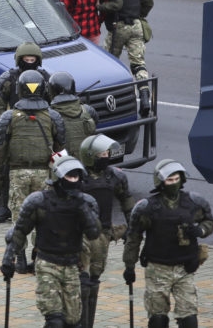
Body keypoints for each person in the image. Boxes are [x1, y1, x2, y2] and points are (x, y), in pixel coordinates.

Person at [0, 154, 101, 327]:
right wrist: (9, 258)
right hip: (47, 265)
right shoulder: (39, 201)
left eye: (76, 177)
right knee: (55, 321)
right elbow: (20, 231)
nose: (73, 180)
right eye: (69, 176)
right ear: (58, 178)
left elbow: (93, 233)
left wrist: (82, 209)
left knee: (73, 322)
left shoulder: (85, 203)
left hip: (71, 267)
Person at [123, 159, 213, 327]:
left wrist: (200, 231)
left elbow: (209, 221)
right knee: (158, 319)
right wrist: (129, 265)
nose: (173, 183)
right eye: (169, 180)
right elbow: (134, 236)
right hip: (157, 269)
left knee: (189, 318)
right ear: (160, 182)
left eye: (176, 179)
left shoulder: (193, 203)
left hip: (185, 267)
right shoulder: (148, 207)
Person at [0, 70, 65, 274]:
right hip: (44, 175)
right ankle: (38, 258)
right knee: (43, 218)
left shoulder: (8, 117)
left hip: (17, 173)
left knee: (19, 217)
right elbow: (60, 149)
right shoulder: (53, 116)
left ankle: (20, 260)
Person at [78, 134, 135, 328]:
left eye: (107, 153)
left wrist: (133, 230)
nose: (106, 156)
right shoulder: (76, 175)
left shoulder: (115, 176)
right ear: (89, 155)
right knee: (82, 282)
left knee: (94, 281)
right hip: (80, 237)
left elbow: (128, 203)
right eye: (101, 153)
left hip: (102, 236)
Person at [0, 42, 51, 224]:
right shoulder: (9, 79)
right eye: (26, 59)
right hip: (15, 126)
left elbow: (52, 105)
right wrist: (5, 125)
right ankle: (6, 206)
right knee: (7, 167)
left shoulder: (45, 79)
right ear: (19, 59)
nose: (30, 62)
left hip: (40, 126)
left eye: (33, 60)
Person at [98, 0, 154, 118]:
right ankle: (145, 97)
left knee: (109, 64)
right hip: (136, 26)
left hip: (118, 27)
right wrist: (138, 16)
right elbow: (149, 3)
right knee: (138, 64)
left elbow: (117, 4)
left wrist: (100, 7)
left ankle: (109, 101)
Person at [47, 71, 98, 158]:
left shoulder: (49, 115)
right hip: (88, 162)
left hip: (64, 166)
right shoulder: (87, 110)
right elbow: (96, 121)